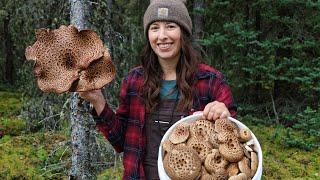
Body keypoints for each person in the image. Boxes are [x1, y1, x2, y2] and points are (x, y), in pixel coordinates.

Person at [79, 0, 237, 179]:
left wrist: (224, 115)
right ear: (148, 35)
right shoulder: (134, 81)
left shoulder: (210, 81)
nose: (162, 36)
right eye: (154, 28)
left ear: (183, 32)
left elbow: (234, 140)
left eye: (170, 26)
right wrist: (98, 101)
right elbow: (121, 142)